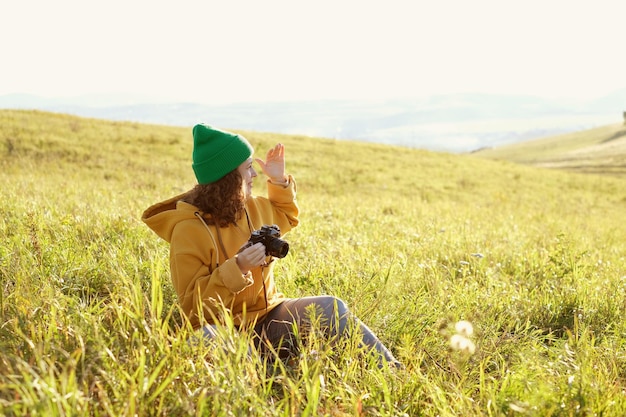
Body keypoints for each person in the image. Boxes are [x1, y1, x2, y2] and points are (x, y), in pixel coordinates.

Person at [142, 124, 401, 368]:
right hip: (221, 329)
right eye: (247, 168)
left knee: (330, 306)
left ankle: (391, 371)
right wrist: (238, 267)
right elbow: (192, 308)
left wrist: (278, 181)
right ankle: (268, 380)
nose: (254, 173)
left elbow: (287, 216)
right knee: (211, 338)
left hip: (269, 316)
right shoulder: (188, 230)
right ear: (228, 178)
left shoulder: (252, 207)